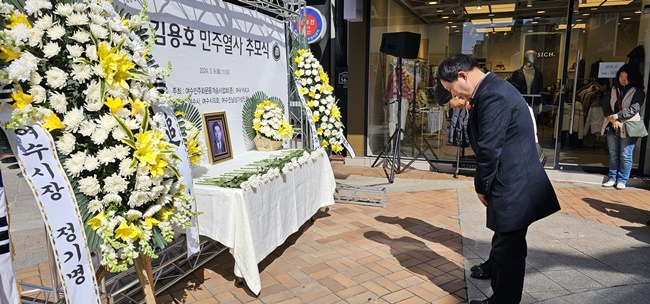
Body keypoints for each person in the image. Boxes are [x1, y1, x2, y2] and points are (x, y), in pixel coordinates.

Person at [438, 53, 560, 304]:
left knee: (510, 250)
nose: (454, 94)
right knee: (505, 239)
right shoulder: (494, 88)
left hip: (514, 182)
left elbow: (489, 148)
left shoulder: (493, 94)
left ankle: (503, 300)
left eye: (452, 88)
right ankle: (496, 278)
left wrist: (481, 186)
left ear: (463, 76)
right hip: (513, 178)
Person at [600, 64, 646, 190]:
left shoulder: (638, 92)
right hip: (612, 126)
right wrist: (612, 118)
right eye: (621, 76)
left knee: (625, 154)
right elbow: (605, 105)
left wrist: (616, 117)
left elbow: (633, 109)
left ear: (633, 78)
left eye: (626, 77)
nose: (623, 79)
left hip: (628, 127)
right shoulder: (614, 89)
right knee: (613, 154)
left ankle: (622, 179)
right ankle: (612, 178)